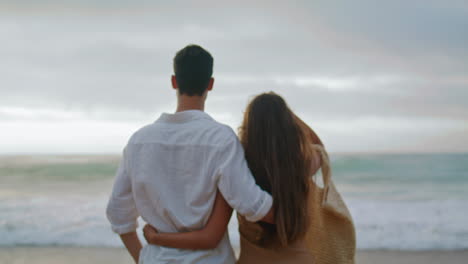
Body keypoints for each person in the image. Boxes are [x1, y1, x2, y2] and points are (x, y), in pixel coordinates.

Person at [106, 45, 274, 264]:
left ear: (174, 82)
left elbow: (118, 214)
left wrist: (143, 258)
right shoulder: (220, 138)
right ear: (210, 84)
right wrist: (302, 208)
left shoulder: (140, 141)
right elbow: (252, 204)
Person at [143, 92, 325, 263]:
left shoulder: (239, 173)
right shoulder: (302, 166)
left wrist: (156, 237)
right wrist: (283, 115)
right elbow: (318, 145)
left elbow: (210, 237)